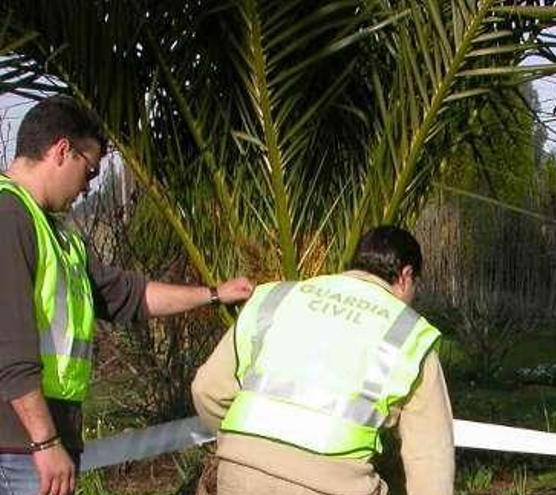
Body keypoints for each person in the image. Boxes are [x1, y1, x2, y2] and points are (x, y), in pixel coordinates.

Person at [0, 95, 254, 495]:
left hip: (40, 440)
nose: (87, 188)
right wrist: (45, 442)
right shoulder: (9, 216)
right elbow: (10, 347)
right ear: (62, 150)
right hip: (19, 447)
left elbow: (127, 295)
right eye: (90, 171)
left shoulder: (58, 235)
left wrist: (214, 294)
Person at [192, 225, 454, 495]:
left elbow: (206, 390)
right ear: (406, 275)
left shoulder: (275, 298)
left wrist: (240, 446)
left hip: (239, 476)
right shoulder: (410, 334)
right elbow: (430, 457)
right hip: (332, 486)